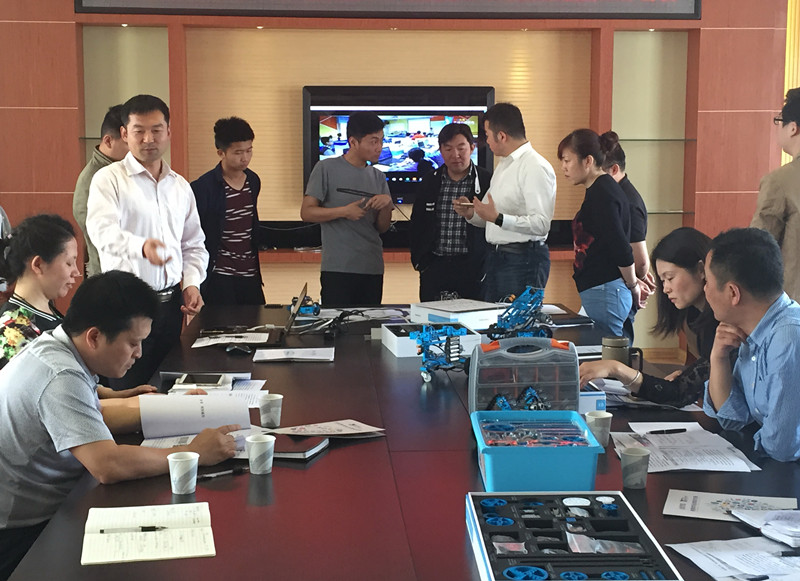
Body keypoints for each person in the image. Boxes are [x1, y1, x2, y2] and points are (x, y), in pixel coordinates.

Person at [0, 270, 238, 580]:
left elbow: (96, 416)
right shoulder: (60, 374)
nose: (139, 353)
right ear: (95, 337)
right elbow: (107, 465)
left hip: (48, 508)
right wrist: (193, 453)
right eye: (133, 343)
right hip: (23, 535)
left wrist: (176, 408)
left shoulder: (59, 347)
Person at [86, 94, 209, 389]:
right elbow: (101, 230)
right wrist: (141, 247)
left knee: (168, 387)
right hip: (125, 306)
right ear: (124, 134)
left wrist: (192, 283)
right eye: (139, 131)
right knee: (128, 390)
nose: (148, 139)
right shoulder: (108, 179)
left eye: (156, 130)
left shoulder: (180, 186)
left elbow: (193, 244)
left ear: (168, 132)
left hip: (171, 306)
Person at [0, 213, 154, 396]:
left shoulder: (47, 311)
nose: (76, 272)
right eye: (69, 263)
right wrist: (132, 405)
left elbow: (78, 384)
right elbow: (56, 397)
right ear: (38, 264)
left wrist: (122, 395)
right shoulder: (14, 331)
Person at [579, 227, 719, 408]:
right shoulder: (693, 315)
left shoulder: (723, 322)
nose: (666, 288)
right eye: (663, 280)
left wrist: (616, 368)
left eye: (670, 278)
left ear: (701, 269)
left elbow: (679, 393)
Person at [704, 227, 800, 462]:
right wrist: (718, 358)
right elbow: (733, 418)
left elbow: (781, 447)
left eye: (707, 281)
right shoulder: (754, 329)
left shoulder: (788, 338)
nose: (704, 289)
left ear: (733, 293)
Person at [454, 103, 556, 302]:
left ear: (501, 136)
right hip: (497, 258)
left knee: (517, 321)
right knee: (493, 319)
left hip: (523, 260)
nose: (486, 141)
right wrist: (471, 213)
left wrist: (498, 218)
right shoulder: (504, 165)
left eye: (487, 135)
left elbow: (541, 224)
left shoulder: (534, 166)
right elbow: (490, 215)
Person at [300, 111, 393, 307]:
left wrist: (387, 205)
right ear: (353, 142)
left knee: (369, 323)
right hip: (338, 267)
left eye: (381, 140)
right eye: (373, 141)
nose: (379, 147)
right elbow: (306, 212)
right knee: (337, 323)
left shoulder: (378, 176)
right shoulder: (325, 168)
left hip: (372, 267)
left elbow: (382, 228)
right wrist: (344, 211)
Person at [558, 128, 638, 340]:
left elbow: (621, 247)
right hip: (601, 290)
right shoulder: (599, 189)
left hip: (606, 290)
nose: (563, 167)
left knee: (607, 352)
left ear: (588, 161)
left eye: (567, 160)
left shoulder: (603, 193)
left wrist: (633, 285)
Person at [409, 123, 492, 301]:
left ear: (472, 148)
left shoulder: (487, 180)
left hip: (473, 267)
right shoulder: (429, 181)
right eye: (448, 149)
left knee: (474, 316)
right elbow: (417, 223)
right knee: (432, 316)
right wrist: (420, 261)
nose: (455, 155)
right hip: (435, 266)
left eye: (461, 148)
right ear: (440, 150)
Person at [191, 117, 265, 306]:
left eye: (249, 150)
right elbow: (195, 234)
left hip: (250, 272)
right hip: (219, 274)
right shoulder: (204, 187)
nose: (245, 158)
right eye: (238, 152)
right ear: (221, 152)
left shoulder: (253, 181)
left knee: (258, 321)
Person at [600, 131, 656, 339]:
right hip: (609, 289)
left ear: (614, 169)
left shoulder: (628, 202)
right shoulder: (612, 196)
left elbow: (640, 262)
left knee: (616, 349)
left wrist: (635, 280)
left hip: (618, 291)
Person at [751, 87, 800, 301]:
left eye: (779, 121)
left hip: (792, 306)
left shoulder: (780, 181)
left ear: (793, 128)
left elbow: (758, 248)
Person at [72, 104, 128, 277]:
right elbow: (98, 234)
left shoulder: (128, 169)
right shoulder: (91, 179)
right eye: (128, 143)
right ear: (108, 141)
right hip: (108, 275)